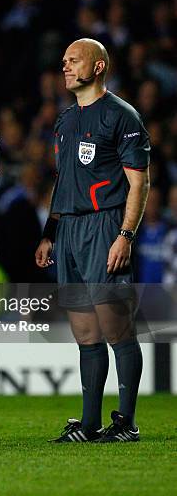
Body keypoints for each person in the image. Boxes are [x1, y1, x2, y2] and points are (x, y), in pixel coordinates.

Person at [35, 38, 150, 442]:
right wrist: (50, 233)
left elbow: (140, 182)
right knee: (85, 332)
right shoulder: (65, 120)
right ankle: (88, 424)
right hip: (68, 232)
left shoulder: (121, 116)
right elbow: (63, 180)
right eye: (63, 60)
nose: (64, 66)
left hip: (105, 228)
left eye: (73, 60)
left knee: (117, 328)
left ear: (98, 67)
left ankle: (126, 422)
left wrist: (125, 235)